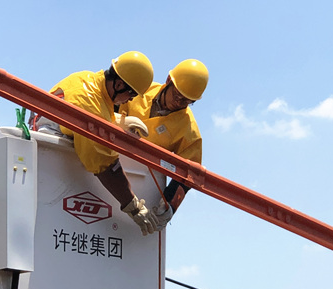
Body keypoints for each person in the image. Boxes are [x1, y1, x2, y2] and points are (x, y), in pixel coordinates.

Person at [36, 52, 159, 235]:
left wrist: (120, 121)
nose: (130, 100)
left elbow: (95, 111)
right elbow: (105, 165)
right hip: (51, 156)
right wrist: (133, 206)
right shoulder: (89, 103)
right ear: (119, 84)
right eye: (131, 94)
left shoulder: (88, 78)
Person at [118, 58, 209, 229]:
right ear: (168, 81)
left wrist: (170, 205)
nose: (178, 103)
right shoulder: (141, 88)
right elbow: (108, 104)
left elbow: (189, 175)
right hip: (108, 161)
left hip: (142, 183)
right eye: (177, 95)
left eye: (186, 101)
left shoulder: (189, 130)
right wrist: (118, 121)